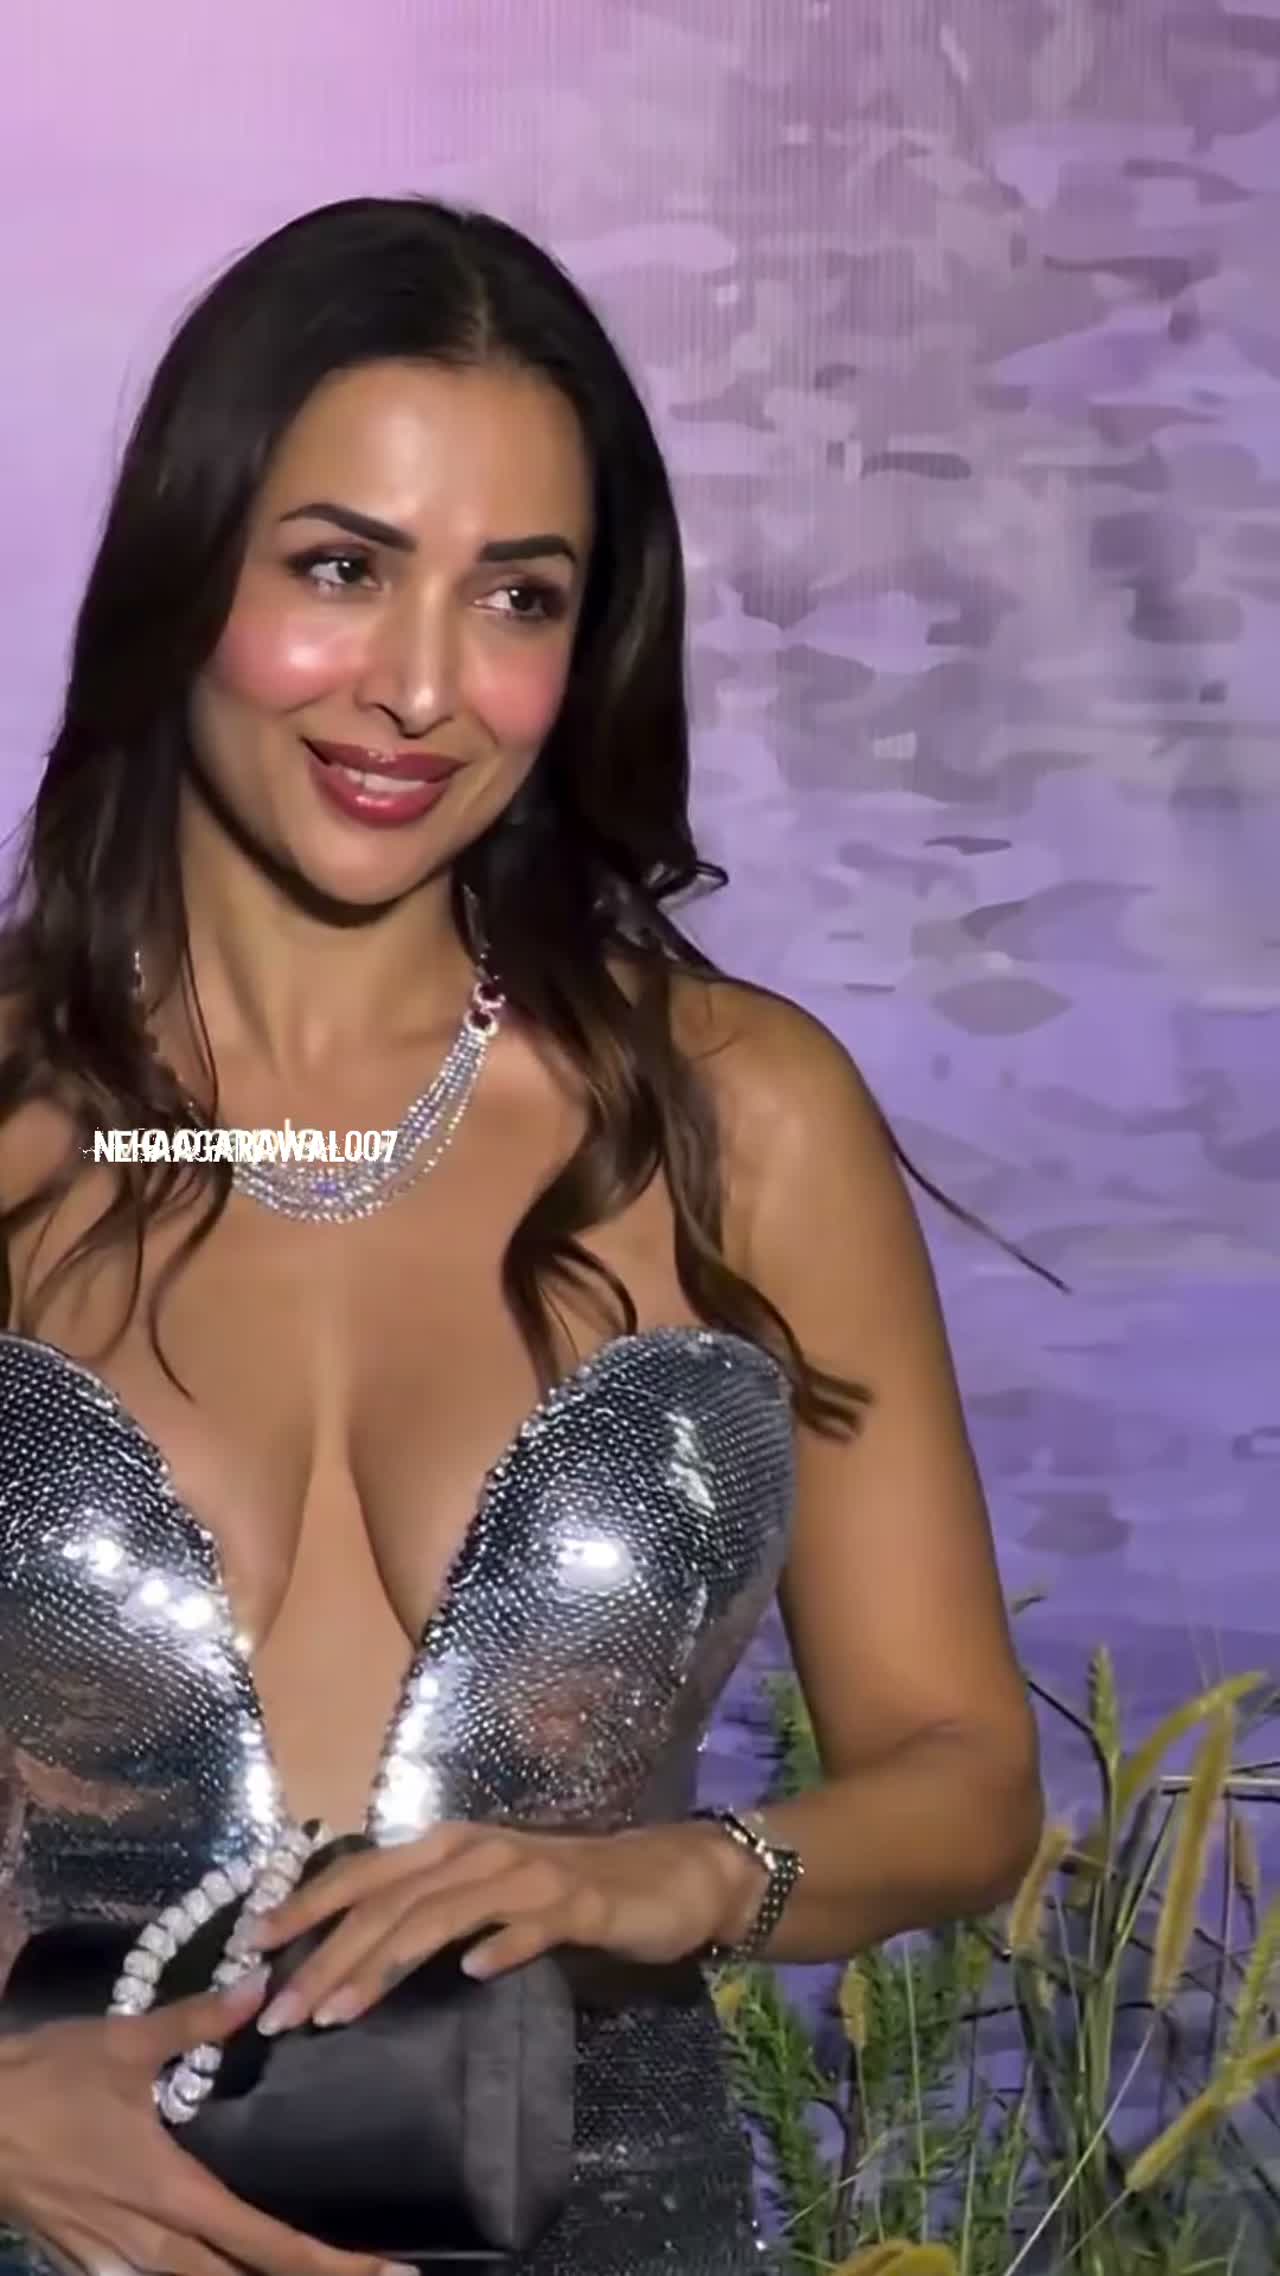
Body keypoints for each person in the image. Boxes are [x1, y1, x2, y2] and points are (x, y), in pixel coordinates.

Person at [0, 196, 1043, 2276]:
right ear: (187, 565)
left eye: (516, 597)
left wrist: (682, 1876)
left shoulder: (741, 1114)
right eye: (340, 567)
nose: (418, 688)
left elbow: (963, 1773)